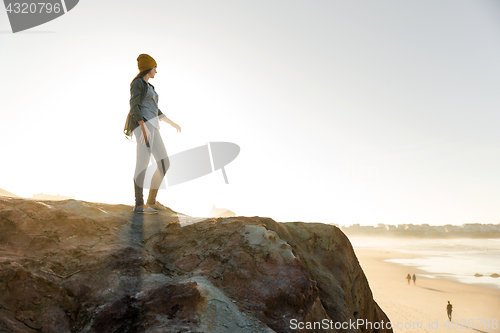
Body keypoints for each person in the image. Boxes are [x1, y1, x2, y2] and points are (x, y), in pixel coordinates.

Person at [124, 54, 181, 214]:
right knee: (142, 165)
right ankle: (139, 204)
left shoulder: (151, 87)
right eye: (155, 67)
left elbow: (156, 110)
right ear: (148, 68)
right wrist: (143, 127)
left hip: (154, 127)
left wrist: (171, 123)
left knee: (164, 163)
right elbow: (133, 106)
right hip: (144, 128)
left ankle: (151, 201)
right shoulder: (138, 83)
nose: (156, 71)